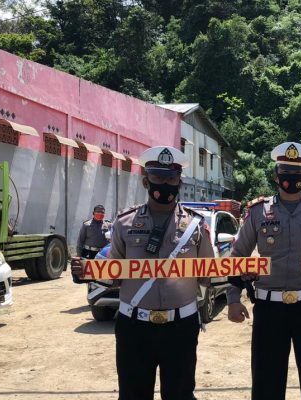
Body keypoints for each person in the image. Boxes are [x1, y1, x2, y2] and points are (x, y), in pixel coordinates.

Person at [72, 145, 214, 400]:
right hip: (134, 327)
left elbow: (208, 274)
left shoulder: (195, 225)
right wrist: (87, 271)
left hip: (181, 328)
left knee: (180, 395)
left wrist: (245, 274)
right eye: (158, 177)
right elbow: (114, 273)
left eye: (171, 178)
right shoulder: (124, 222)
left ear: (179, 182)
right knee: (133, 395)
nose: (165, 184)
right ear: (146, 180)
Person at [227, 141, 301, 400]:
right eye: (285, 172)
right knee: (266, 385)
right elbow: (237, 258)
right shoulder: (257, 211)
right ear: (275, 175)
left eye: (297, 173)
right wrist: (233, 299)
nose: (291, 179)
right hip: (269, 309)